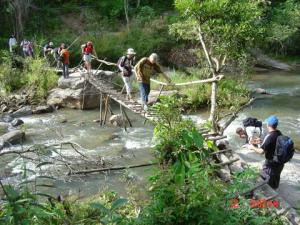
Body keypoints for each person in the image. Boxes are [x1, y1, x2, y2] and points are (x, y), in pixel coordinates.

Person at [250, 116, 285, 189]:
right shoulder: (279, 133)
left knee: (265, 178)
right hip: (280, 162)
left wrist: (252, 147)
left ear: (268, 125)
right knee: (276, 176)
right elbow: (274, 144)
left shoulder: (270, 136)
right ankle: (275, 188)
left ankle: (269, 194)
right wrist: (263, 141)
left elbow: (261, 151)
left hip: (271, 164)